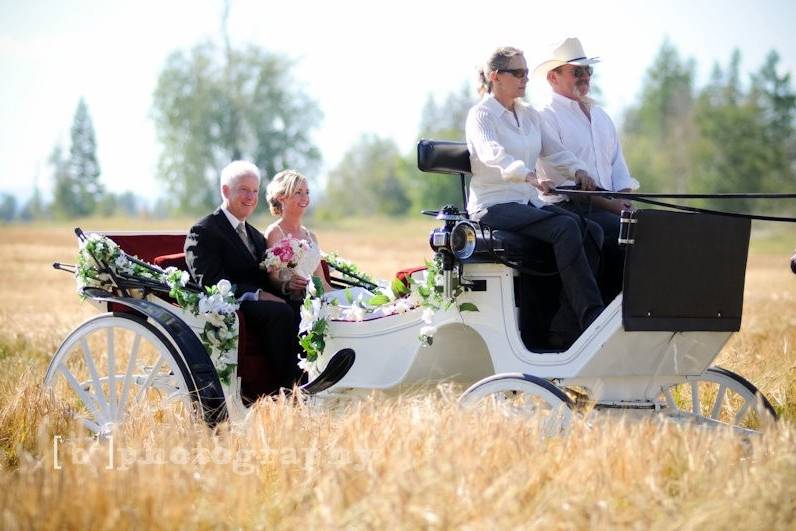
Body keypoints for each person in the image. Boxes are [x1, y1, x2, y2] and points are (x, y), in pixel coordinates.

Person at [465, 46, 605, 346]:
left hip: (526, 203)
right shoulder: (481, 115)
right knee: (565, 227)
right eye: (517, 72)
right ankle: (592, 316)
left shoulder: (529, 114)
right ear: (495, 76)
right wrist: (526, 174)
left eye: (526, 73)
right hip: (493, 205)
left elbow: (555, 151)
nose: (525, 78)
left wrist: (578, 171)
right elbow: (492, 155)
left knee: (591, 231)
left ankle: (565, 327)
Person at [184, 160, 303, 400]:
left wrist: (287, 285)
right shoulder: (204, 231)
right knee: (279, 313)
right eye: (244, 190)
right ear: (226, 191)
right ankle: (288, 390)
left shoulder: (255, 236)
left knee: (300, 305)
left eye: (255, 191)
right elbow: (211, 282)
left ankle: (311, 379)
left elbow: (265, 277)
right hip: (232, 308)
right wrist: (257, 295)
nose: (250, 197)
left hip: (260, 306)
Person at [534, 37, 640, 302]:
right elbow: (564, 181)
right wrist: (621, 210)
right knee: (624, 234)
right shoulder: (545, 116)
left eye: (587, 71)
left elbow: (620, 172)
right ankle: (605, 314)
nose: (584, 77)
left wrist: (625, 203)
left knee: (650, 231)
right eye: (576, 71)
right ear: (553, 78)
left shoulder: (602, 117)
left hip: (612, 208)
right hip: (569, 207)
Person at [264, 169, 372, 306]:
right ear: (281, 197)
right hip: (296, 304)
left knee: (362, 297)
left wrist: (343, 297)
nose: (305, 198)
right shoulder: (275, 232)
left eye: (307, 192)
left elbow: (323, 284)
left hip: (320, 298)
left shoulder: (311, 236)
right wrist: (287, 285)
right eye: (298, 192)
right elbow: (272, 279)